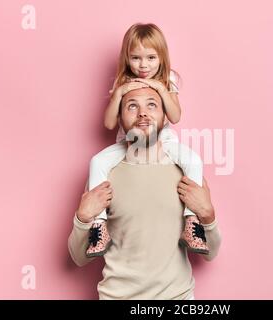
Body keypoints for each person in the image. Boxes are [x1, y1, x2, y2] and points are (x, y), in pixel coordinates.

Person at [68, 87, 222, 299]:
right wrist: (83, 218)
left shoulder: (187, 175)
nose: (142, 113)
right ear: (120, 119)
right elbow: (79, 258)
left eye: (152, 105)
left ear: (165, 116)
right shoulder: (103, 176)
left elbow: (211, 253)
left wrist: (208, 215)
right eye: (132, 106)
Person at [85, 23, 207, 257]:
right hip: (127, 143)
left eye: (151, 57)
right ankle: (98, 226)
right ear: (126, 58)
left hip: (162, 141)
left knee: (193, 160)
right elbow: (110, 124)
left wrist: (161, 89)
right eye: (136, 58)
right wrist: (119, 93)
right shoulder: (122, 82)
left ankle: (192, 222)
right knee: (97, 162)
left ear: (161, 58)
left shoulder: (167, 79)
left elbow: (175, 116)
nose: (143, 65)